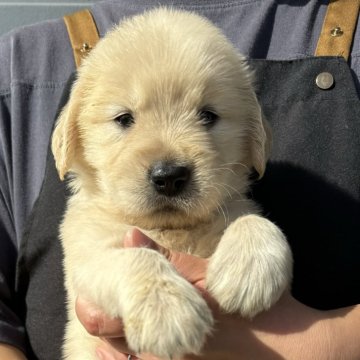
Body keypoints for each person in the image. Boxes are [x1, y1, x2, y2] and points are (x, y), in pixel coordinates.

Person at [0, 0, 359, 359]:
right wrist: (143, 279)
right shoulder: (19, 69)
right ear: (71, 133)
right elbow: (97, 270)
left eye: (207, 116)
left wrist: (324, 342)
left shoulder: (234, 215)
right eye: (124, 119)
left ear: (254, 133)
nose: (168, 168)